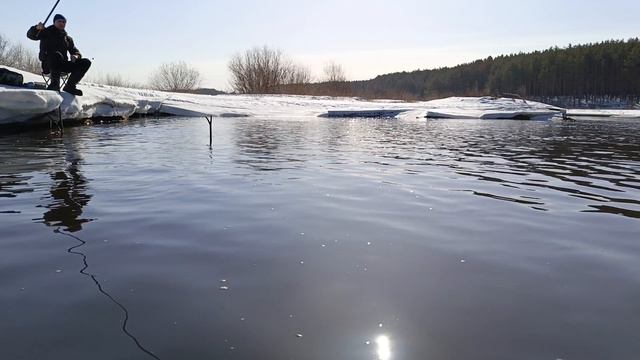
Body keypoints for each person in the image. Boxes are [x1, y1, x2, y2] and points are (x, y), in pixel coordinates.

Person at [27, 14, 91, 96]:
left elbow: (76, 51)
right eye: (59, 21)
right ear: (54, 22)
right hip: (48, 64)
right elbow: (30, 35)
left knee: (86, 62)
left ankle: (70, 86)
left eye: (64, 22)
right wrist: (36, 28)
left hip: (63, 65)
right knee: (56, 55)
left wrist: (76, 56)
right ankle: (54, 85)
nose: (62, 23)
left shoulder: (67, 39)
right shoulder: (46, 32)